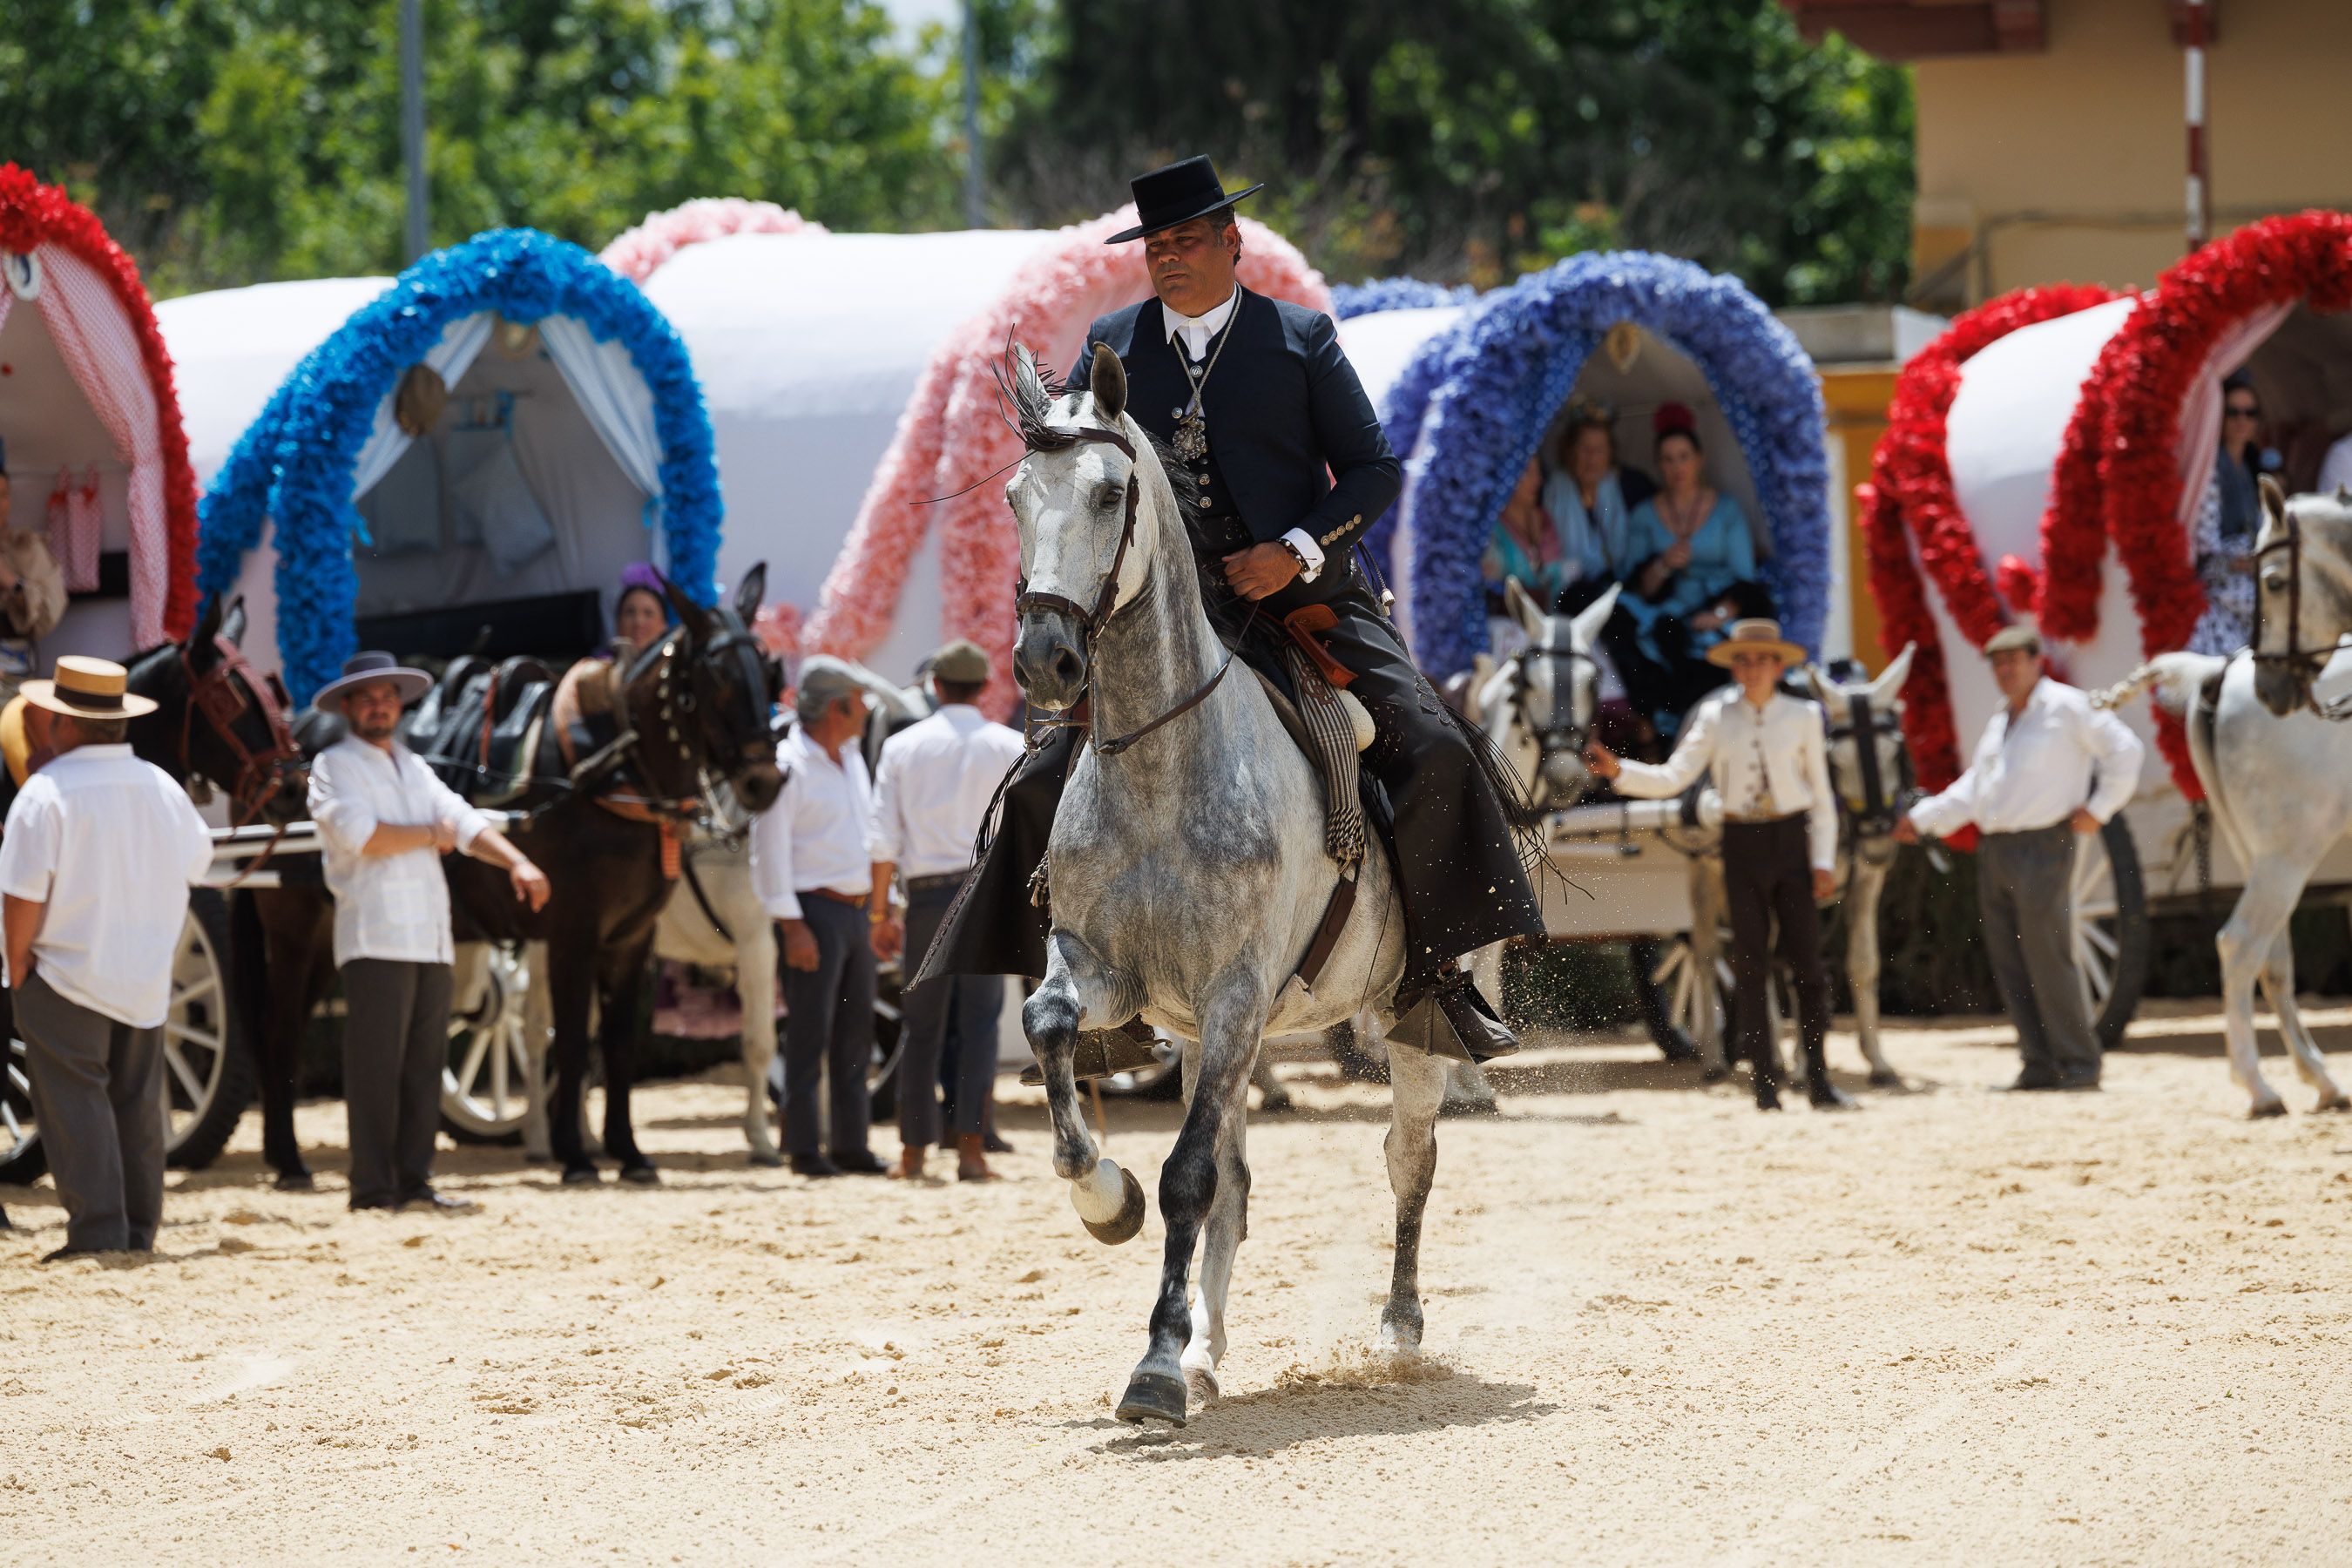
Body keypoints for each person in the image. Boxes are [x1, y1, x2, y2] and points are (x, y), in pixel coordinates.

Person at [927, 154, 1541, 1062]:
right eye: (1155, 246)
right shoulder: (1114, 343)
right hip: (1167, 614)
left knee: (1435, 744)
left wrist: (1292, 550)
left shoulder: (1301, 338)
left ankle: (1434, 979)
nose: (1168, 258)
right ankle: (1092, 995)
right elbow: (1077, 472)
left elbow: (1374, 470)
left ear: (1231, 242)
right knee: (1042, 771)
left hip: (1303, 602)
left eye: (1184, 241)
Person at [308, 651, 550, 1211]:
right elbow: (362, 835)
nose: (379, 707)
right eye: (367, 698)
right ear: (348, 707)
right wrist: (429, 833)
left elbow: (462, 819)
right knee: (376, 1068)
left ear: (399, 704)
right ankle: (372, 1187)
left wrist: (516, 862)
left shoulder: (412, 765)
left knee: (422, 1067)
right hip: (375, 934)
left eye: (387, 697)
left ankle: (415, 1181)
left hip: (429, 938)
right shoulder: (334, 764)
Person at [1585, 620, 1852, 1112]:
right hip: (1741, 840)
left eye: (1761, 659)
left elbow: (1820, 798)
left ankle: (1817, 1080)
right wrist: (1621, 771)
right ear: (1734, 666)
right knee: (1750, 963)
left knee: (1808, 967)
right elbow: (1675, 776)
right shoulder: (1716, 715)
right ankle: (1765, 1085)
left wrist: (1821, 860)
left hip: (1791, 840)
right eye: (1743, 660)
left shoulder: (1803, 716)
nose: (1751, 669)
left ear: (1778, 665)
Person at [0, 656, 212, 1260]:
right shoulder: (162, 787)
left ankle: (97, 1233)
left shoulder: (45, 793)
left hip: (63, 971)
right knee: (137, 1104)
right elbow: (199, 866)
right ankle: (138, 1230)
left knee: (74, 1103)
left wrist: (16, 968)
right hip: (143, 974)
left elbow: (21, 897)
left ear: (63, 723)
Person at [1896, 625, 2144, 1092]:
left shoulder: (2067, 707)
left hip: (2043, 844)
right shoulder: (2001, 720)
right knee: (2010, 961)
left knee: (2048, 957)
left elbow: (2125, 749)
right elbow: (1975, 789)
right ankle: (2038, 1064)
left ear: (2036, 661)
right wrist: (1925, 819)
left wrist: (2100, 809)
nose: (2005, 670)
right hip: (1998, 848)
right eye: (1998, 663)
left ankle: (2079, 1063)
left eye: (2014, 660)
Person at [867, 639, 1026, 1182]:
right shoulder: (1009, 745)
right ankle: (972, 1151)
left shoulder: (902, 747)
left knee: (922, 1027)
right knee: (979, 1024)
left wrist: (878, 914)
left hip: (928, 896)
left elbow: (883, 841)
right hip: (983, 895)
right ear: (984, 687)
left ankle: (913, 1152)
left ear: (935, 685)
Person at [754, 656, 896, 1177]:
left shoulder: (851, 755)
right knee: (810, 1035)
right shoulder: (788, 764)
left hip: (852, 912)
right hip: (812, 913)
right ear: (837, 707)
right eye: (858, 703)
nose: (865, 712)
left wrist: (882, 907)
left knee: (855, 1034)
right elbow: (768, 851)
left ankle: (850, 1145)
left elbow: (867, 834)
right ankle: (804, 1148)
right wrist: (792, 926)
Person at [1615, 405, 1773, 733]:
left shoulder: (1727, 509)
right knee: (1635, 633)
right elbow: (1634, 584)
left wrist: (1719, 614)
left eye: (1684, 456)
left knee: (1723, 647)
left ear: (1699, 459)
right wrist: (1662, 565)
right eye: (1668, 459)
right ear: (1658, 465)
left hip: (1722, 609)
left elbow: (1745, 577)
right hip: (1666, 611)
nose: (1677, 467)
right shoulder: (1645, 515)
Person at [1541, 400, 1653, 610]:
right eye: (1585, 449)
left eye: (1599, 449)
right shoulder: (1552, 489)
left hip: (1620, 590)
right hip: (1567, 593)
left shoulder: (1630, 486)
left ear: (1610, 453)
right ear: (1570, 451)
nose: (1592, 458)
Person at [2189, 374, 2265, 656]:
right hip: (2221, 593)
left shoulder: (2252, 466)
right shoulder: (2210, 470)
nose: (2241, 420)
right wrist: (2243, 560)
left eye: (2249, 413)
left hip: (2253, 585)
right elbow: (2206, 547)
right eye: (2232, 412)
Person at [1484, 458, 1572, 610]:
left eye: (1538, 472)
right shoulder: (1492, 526)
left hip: (1551, 619)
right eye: (1527, 472)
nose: (1538, 480)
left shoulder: (1545, 520)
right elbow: (1491, 587)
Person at [612, 562, 670, 654]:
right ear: (618, 622)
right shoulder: (599, 666)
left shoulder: (678, 667)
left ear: (664, 624)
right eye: (630, 612)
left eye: (648, 613)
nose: (639, 622)